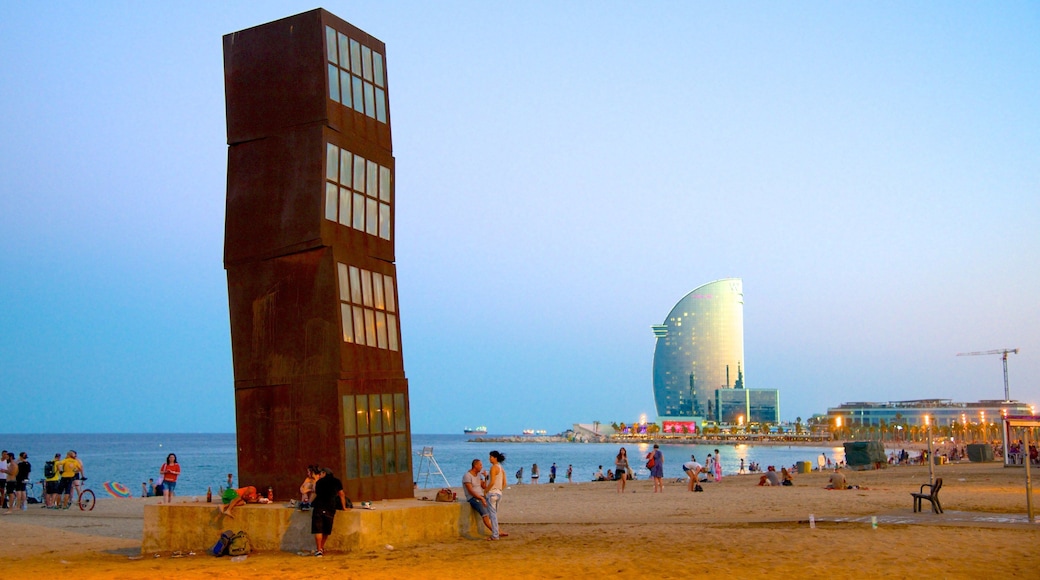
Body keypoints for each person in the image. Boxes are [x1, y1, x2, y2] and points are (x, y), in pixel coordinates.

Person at [311, 467, 347, 557]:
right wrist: (344, 507)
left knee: (318, 529)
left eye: (321, 474)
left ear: (324, 473)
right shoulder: (337, 481)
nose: (320, 475)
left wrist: (309, 503)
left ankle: (319, 550)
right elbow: (342, 494)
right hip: (330, 507)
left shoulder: (319, 482)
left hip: (318, 507)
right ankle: (321, 548)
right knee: (326, 530)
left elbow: (316, 493)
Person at [463, 459, 493, 536]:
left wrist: (486, 477)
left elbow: (484, 486)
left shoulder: (479, 475)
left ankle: (496, 529)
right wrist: (481, 498)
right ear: (475, 466)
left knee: (491, 510)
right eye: (480, 465)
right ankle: (495, 531)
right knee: (485, 513)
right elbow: (470, 491)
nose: (481, 466)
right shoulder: (467, 476)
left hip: (481, 496)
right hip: (473, 497)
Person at [485, 450, 509, 540]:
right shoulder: (501, 468)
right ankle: (496, 533)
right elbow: (505, 483)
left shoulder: (494, 468)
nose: (489, 458)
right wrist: (499, 490)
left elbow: (492, 482)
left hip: (492, 493)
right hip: (499, 493)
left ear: (495, 458)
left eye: (491, 457)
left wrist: (486, 490)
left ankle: (495, 535)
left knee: (492, 515)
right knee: (493, 515)